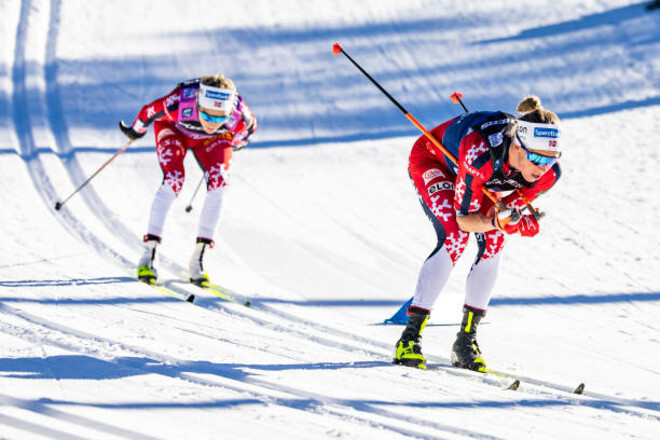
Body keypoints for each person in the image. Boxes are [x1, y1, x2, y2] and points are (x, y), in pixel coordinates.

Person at [393, 96, 562, 371]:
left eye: (551, 159)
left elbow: (506, 215)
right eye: (534, 157)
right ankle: (409, 338)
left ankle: (465, 341)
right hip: (436, 162)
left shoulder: (548, 174)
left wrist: (515, 221)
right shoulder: (480, 153)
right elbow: (464, 221)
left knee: (495, 241)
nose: (542, 168)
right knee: (454, 237)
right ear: (518, 146)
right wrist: (500, 221)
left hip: (479, 179)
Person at [119, 74, 257, 286]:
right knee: (174, 180)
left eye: (220, 117)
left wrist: (236, 142)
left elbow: (247, 131)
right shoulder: (178, 102)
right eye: (208, 116)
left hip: (212, 140)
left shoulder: (241, 115)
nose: (212, 122)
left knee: (219, 182)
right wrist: (136, 132)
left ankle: (198, 260)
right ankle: (148, 254)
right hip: (175, 130)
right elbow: (149, 111)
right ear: (198, 105)